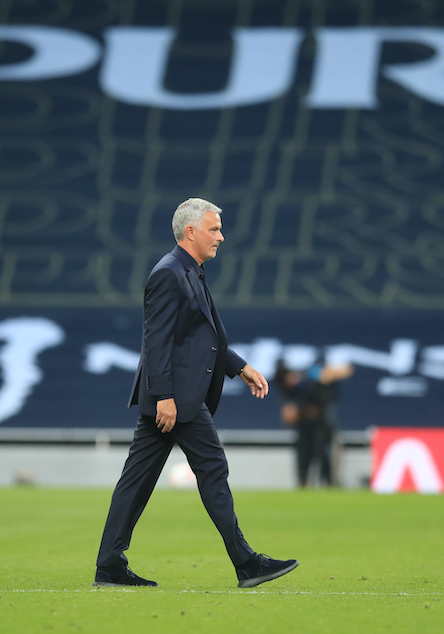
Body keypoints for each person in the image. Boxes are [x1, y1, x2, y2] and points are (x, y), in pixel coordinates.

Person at [93, 198, 298, 589]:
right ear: (191, 232)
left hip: (174, 398)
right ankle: (246, 563)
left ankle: (109, 566)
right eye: (214, 229)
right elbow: (156, 341)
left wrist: (239, 367)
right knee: (212, 468)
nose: (221, 236)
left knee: (136, 481)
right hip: (178, 400)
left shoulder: (190, 270)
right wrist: (165, 396)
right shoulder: (169, 274)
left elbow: (201, 338)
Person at [275, 360, 354, 488]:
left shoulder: (317, 380)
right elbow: (290, 404)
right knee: (304, 452)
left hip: (320, 422)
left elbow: (329, 392)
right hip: (303, 422)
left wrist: (330, 376)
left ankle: (327, 481)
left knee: (322, 451)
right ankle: (303, 480)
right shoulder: (300, 381)